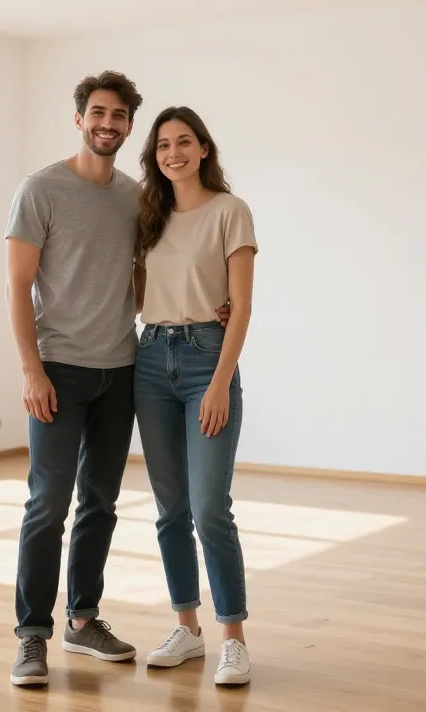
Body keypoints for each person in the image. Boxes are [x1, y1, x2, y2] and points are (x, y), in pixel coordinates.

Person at [4, 71, 233, 688]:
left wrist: (210, 302)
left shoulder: (137, 198)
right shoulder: (40, 190)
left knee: (99, 502)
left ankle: (82, 620)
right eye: (98, 112)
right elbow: (17, 285)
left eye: (120, 115)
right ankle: (32, 636)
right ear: (79, 118)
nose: (108, 123)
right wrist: (32, 370)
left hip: (124, 368)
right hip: (58, 371)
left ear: (129, 125)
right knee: (47, 503)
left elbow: (150, 274)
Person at [132, 106, 257, 686]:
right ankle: (187, 627)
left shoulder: (231, 212)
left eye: (184, 142)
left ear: (204, 148)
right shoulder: (147, 215)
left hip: (208, 356)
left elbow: (242, 307)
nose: (173, 153)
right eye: (162, 145)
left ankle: (233, 636)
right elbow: (137, 293)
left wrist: (219, 383)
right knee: (170, 509)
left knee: (210, 507)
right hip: (151, 358)